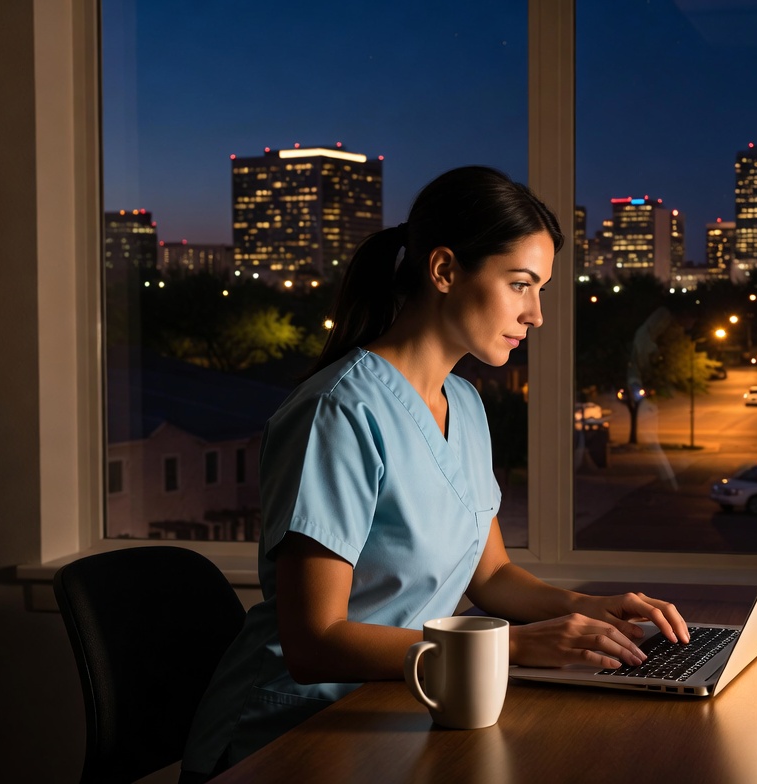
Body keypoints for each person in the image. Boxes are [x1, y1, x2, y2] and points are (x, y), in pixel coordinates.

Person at [180, 166, 689, 780]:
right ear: (444, 271)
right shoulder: (339, 411)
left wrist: (589, 610)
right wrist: (514, 646)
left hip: (405, 709)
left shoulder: (465, 405)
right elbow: (314, 640)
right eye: (521, 284)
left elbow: (493, 575)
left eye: (542, 290)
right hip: (297, 733)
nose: (536, 315)